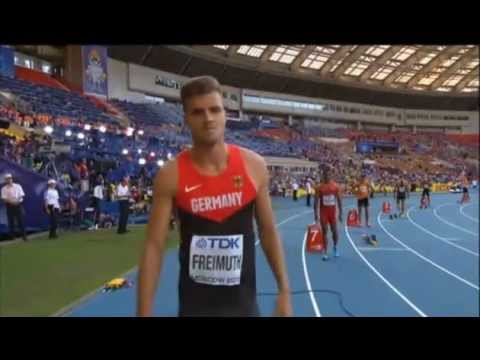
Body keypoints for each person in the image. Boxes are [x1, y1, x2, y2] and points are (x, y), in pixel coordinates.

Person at [137, 76, 292, 317]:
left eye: (214, 110)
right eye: (198, 112)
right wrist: (143, 313)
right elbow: (154, 246)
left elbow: (268, 230)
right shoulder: (170, 175)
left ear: (224, 114)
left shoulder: (254, 166)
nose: (208, 118)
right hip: (194, 309)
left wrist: (284, 290)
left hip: (245, 309)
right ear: (187, 118)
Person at [314, 167, 343, 261]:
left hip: (332, 213)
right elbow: (316, 201)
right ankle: (325, 251)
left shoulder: (335, 186)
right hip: (323, 213)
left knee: (334, 231)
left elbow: (339, 200)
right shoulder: (319, 187)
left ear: (331, 175)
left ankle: (335, 247)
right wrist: (315, 214)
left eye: (328, 174)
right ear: (323, 176)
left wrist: (341, 213)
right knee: (324, 231)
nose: (327, 176)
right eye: (325, 175)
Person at [1, 173, 27, 241]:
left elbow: (21, 195)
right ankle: (12, 237)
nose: (9, 180)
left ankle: (24, 236)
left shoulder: (18, 186)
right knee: (11, 221)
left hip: (18, 204)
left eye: (10, 178)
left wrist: (16, 201)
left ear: (12, 179)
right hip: (9, 206)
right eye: (7, 179)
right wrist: (12, 202)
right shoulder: (4, 188)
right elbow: (4, 198)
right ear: (5, 180)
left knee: (20, 221)